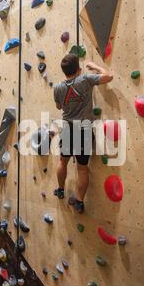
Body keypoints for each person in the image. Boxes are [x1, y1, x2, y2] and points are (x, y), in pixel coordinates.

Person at [53, 54, 114, 213]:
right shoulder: (85, 79)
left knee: (62, 161)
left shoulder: (58, 88)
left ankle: (60, 189)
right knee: (82, 168)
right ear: (79, 69)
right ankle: (79, 201)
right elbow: (109, 76)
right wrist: (95, 67)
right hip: (84, 130)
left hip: (67, 128)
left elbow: (59, 107)